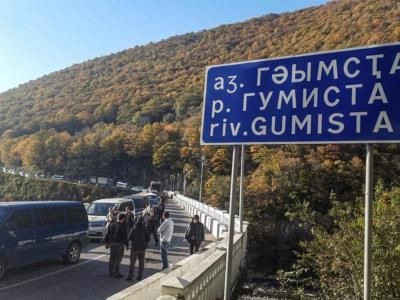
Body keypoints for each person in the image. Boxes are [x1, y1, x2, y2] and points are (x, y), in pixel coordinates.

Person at [103, 213, 128, 278]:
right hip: (119, 245)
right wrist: (127, 245)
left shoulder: (111, 225)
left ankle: (111, 272)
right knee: (118, 259)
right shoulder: (123, 226)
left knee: (112, 258)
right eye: (124, 219)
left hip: (112, 244)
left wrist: (107, 243)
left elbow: (107, 234)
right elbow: (125, 236)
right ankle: (116, 272)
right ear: (122, 219)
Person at [126, 217, 150, 281]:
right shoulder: (145, 229)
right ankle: (140, 276)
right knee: (141, 263)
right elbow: (148, 238)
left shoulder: (134, 228)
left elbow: (129, 237)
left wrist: (128, 244)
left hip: (134, 248)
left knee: (132, 263)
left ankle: (130, 277)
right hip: (142, 248)